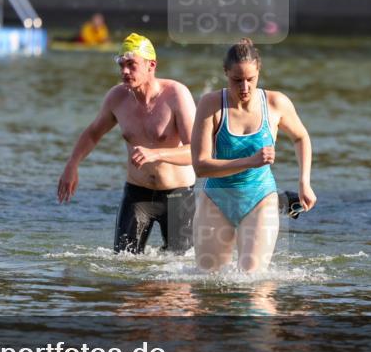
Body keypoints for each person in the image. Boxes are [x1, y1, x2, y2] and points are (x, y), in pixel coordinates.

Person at [57, 34, 198, 254]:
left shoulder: (176, 95)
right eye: (121, 65)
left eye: (131, 65)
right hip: (137, 193)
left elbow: (196, 151)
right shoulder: (117, 98)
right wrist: (72, 164)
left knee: (178, 271)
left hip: (177, 195)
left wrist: (156, 154)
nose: (124, 71)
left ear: (151, 65)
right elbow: (93, 133)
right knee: (124, 266)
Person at [190, 38, 316, 273]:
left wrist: (304, 182)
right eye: (237, 80)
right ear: (225, 73)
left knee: (252, 282)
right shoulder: (210, 105)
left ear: (259, 71)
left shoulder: (276, 103)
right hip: (216, 199)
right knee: (209, 283)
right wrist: (251, 161)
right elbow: (200, 166)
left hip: (260, 198)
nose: (245, 87)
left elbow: (301, 137)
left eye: (251, 79)